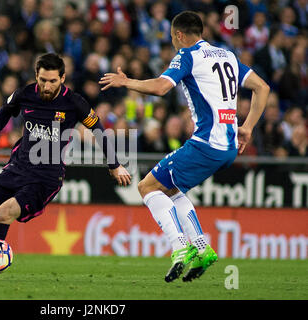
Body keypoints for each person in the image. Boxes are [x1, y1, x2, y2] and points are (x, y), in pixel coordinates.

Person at [99, 11, 269, 282]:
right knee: (172, 189)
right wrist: (246, 127)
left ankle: (180, 248)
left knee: (147, 187)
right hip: (226, 147)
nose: (173, 42)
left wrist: (126, 81)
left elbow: (160, 88)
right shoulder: (227, 55)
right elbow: (262, 87)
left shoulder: (188, 55)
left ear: (179, 35)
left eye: (172, 37)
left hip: (205, 143)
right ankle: (202, 248)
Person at [0, 53, 131, 280]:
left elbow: (99, 130)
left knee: (4, 212)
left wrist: (114, 165)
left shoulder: (74, 102)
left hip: (46, 178)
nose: (47, 86)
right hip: (17, 168)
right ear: (36, 76)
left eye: (53, 81)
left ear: (63, 78)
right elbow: (3, 113)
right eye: (43, 80)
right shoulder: (25, 94)